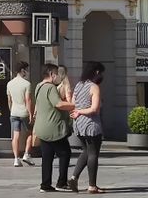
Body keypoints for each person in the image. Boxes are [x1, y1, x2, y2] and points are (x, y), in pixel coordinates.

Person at [34, 63, 75, 193]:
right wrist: (74, 105)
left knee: (47, 157)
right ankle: (61, 183)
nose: (58, 77)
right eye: (56, 74)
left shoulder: (38, 86)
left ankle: (45, 185)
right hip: (53, 128)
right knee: (65, 153)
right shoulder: (50, 88)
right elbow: (58, 104)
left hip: (41, 127)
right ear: (51, 74)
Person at [68, 61, 106, 194]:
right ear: (96, 72)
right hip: (91, 125)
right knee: (93, 154)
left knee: (86, 151)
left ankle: (74, 177)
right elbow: (94, 109)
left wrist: (77, 111)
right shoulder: (94, 87)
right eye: (101, 72)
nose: (101, 75)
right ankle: (92, 185)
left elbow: (73, 103)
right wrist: (81, 111)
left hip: (78, 125)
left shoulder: (79, 85)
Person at [6, 61, 35, 167]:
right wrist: (31, 113)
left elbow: (9, 100)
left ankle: (16, 159)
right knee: (30, 133)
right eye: (26, 70)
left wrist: (11, 110)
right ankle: (26, 154)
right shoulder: (27, 84)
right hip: (24, 113)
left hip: (14, 112)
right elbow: (28, 100)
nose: (27, 72)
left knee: (16, 136)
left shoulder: (9, 83)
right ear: (23, 70)